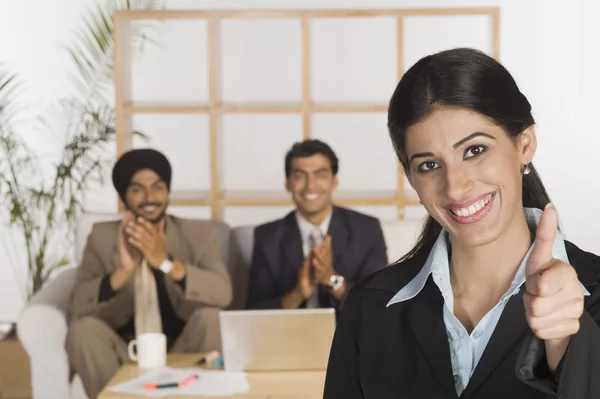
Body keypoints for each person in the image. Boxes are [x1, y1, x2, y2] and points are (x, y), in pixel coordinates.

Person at [324, 48, 600, 399]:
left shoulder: (593, 293)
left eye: (474, 150)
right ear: (410, 176)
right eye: (428, 165)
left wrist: (564, 343)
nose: (455, 187)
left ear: (525, 144)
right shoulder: (370, 309)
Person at [66, 148, 232, 399]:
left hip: (184, 349)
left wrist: (165, 262)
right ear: (124, 196)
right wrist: (123, 272)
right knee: (82, 330)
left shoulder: (198, 234)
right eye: (137, 189)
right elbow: (78, 304)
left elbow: (223, 294)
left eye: (158, 187)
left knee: (212, 318)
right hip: (124, 353)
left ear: (168, 191)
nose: (150, 197)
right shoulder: (102, 237)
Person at [247, 139, 388, 313]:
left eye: (320, 174)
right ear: (288, 183)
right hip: (287, 336)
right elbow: (253, 312)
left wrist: (331, 279)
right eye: (300, 176)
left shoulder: (367, 230)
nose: (310, 185)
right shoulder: (267, 237)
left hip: (348, 336)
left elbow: (377, 301)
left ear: (334, 181)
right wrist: (298, 294)